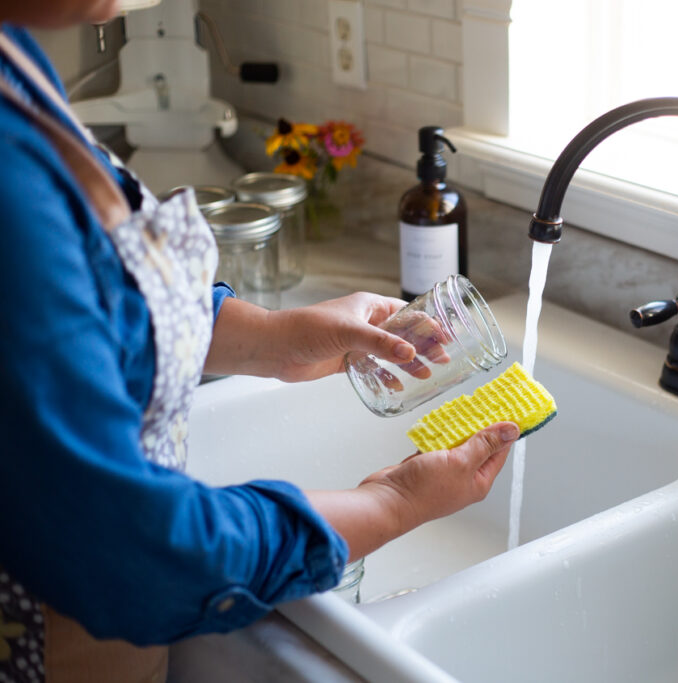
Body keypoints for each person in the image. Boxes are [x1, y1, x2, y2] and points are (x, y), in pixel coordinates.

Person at [0, 1, 518, 681]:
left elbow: (86, 300)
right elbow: (131, 553)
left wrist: (274, 338)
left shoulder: (15, 59)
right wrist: (391, 503)